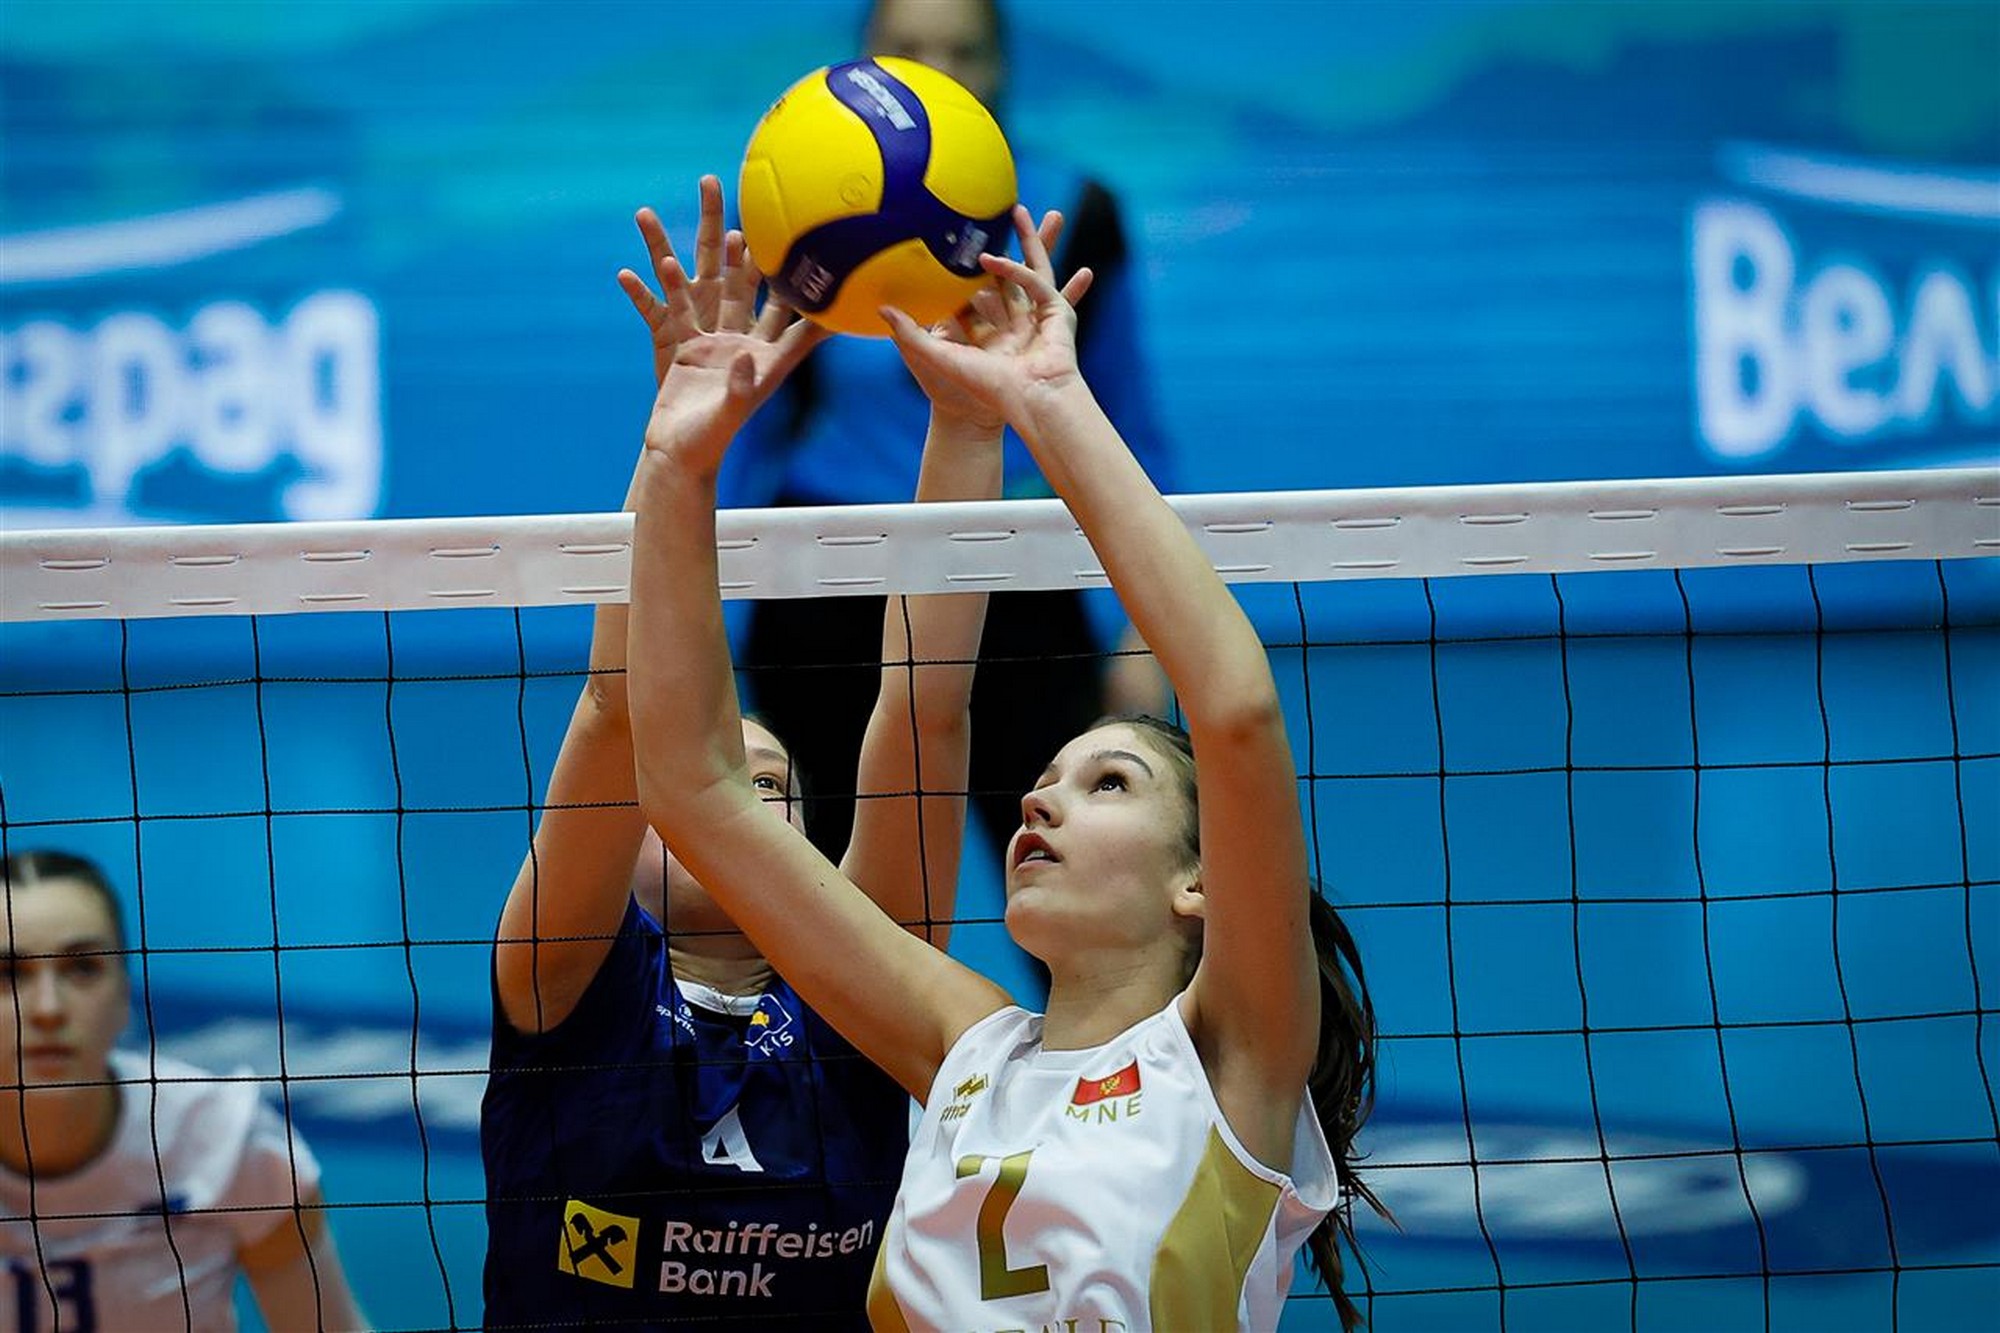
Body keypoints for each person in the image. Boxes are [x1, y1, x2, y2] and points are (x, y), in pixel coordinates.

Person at [626, 198, 1383, 1328]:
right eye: (1054, 775)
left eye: (1108, 781)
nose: (1039, 796)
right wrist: (679, 467)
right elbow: (694, 785)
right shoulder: (961, 1048)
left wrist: (1049, 402)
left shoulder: (1231, 1058)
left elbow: (1232, 710)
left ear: (1202, 881)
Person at [479, 176, 1027, 1327]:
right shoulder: (563, 979)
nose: (717, 797)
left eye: (763, 786)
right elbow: (620, 711)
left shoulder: (868, 995)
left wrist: (969, 423)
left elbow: (923, 706)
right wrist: (675, 450)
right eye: (687, 785)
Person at [732, 0, 1176, 872]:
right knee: (824, 898)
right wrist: (714, 607)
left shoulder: (1074, 210)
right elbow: (748, 426)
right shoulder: (800, 209)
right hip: (826, 579)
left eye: (962, 50)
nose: (936, 71)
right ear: (864, 64)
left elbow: (1131, 426)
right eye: (908, 49)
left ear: (1002, 65)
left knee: (1079, 877)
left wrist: (1144, 628)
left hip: (1018, 575)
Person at [0, 849, 370, 1332]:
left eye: (83, 968)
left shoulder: (224, 1140)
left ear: (123, 995)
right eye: (8, 974)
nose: (48, 1008)